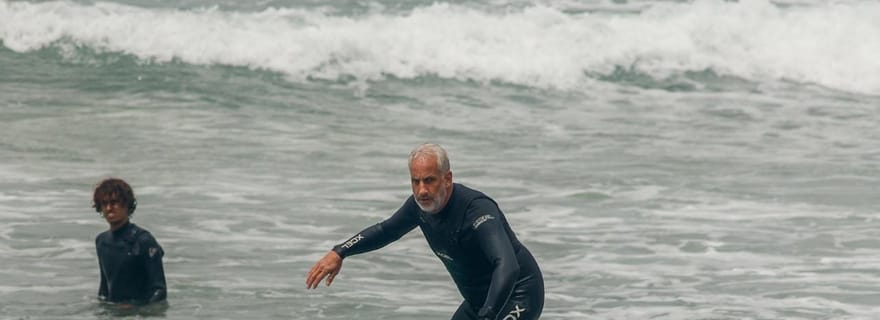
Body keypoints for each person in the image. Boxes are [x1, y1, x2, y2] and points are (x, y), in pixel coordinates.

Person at [306, 144, 544, 320]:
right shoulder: (418, 207)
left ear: (447, 178)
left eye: (429, 180)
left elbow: (507, 265)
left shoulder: (477, 210)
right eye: (415, 181)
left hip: (518, 294)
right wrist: (340, 252)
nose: (422, 191)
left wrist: (488, 315)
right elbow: (386, 230)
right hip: (479, 302)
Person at [92, 178, 167, 306]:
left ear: (127, 204)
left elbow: (160, 291)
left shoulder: (143, 240)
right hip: (114, 312)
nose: (109, 208)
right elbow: (104, 288)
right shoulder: (101, 241)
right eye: (104, 203)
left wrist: (136, 309)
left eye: (114, 202)